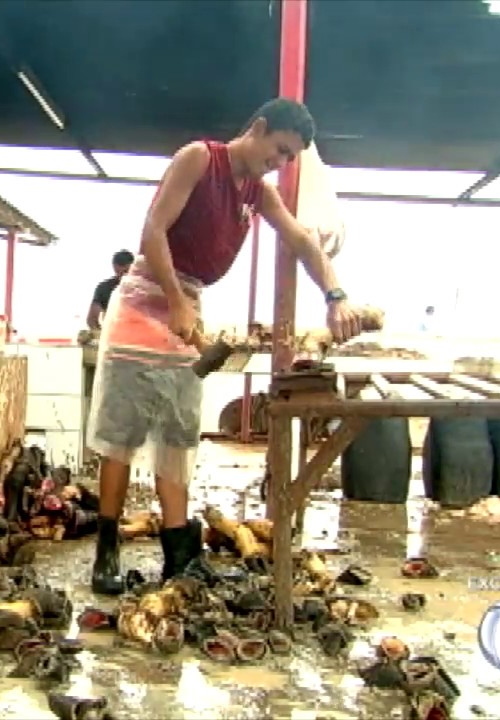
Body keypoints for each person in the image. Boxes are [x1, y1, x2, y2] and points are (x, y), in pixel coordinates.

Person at [87, 98, 365, 594]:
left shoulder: (256, 192)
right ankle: (106, 550)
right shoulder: (199, 157)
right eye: (278, 150)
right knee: (121, 434)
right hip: (145, 299)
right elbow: (153, 230)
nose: (278, 163)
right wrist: (173, 298)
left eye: (288, 159)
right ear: (258, 129)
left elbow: (302, 241)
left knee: (177, 434)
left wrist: (335, 295)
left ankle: (178, 554)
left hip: (187, 306)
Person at [86, 250, 135, 331]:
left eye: (126, 271)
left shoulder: (142, 288)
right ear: (114, 267)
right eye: (120, 272)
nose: (123, 275)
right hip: (113, 333)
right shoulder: (104, 288)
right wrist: (100, 335)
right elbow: (92, 319)